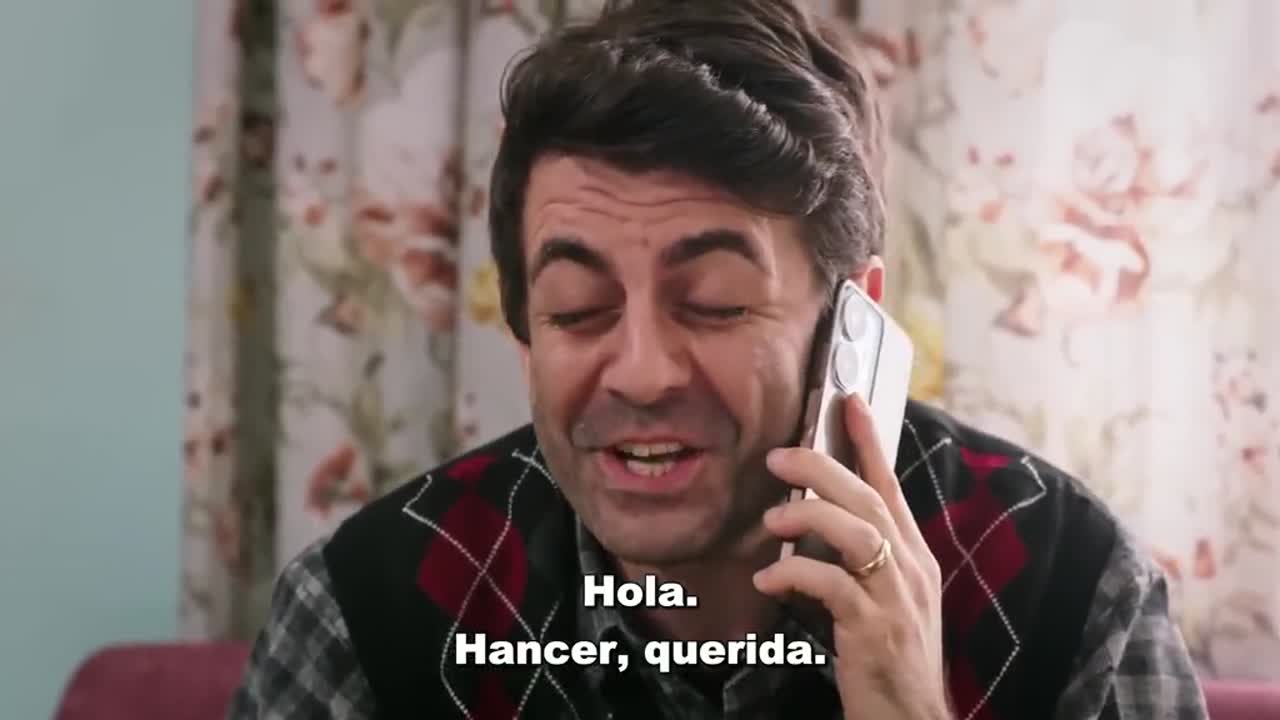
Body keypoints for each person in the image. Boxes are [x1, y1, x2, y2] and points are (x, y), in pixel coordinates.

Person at [228, 1, 1209, 718]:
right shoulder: (370, 608)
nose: (641, 372)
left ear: (853, 320)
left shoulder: (1071, 588)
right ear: (524, 328)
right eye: (577, 311)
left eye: (715, 304)